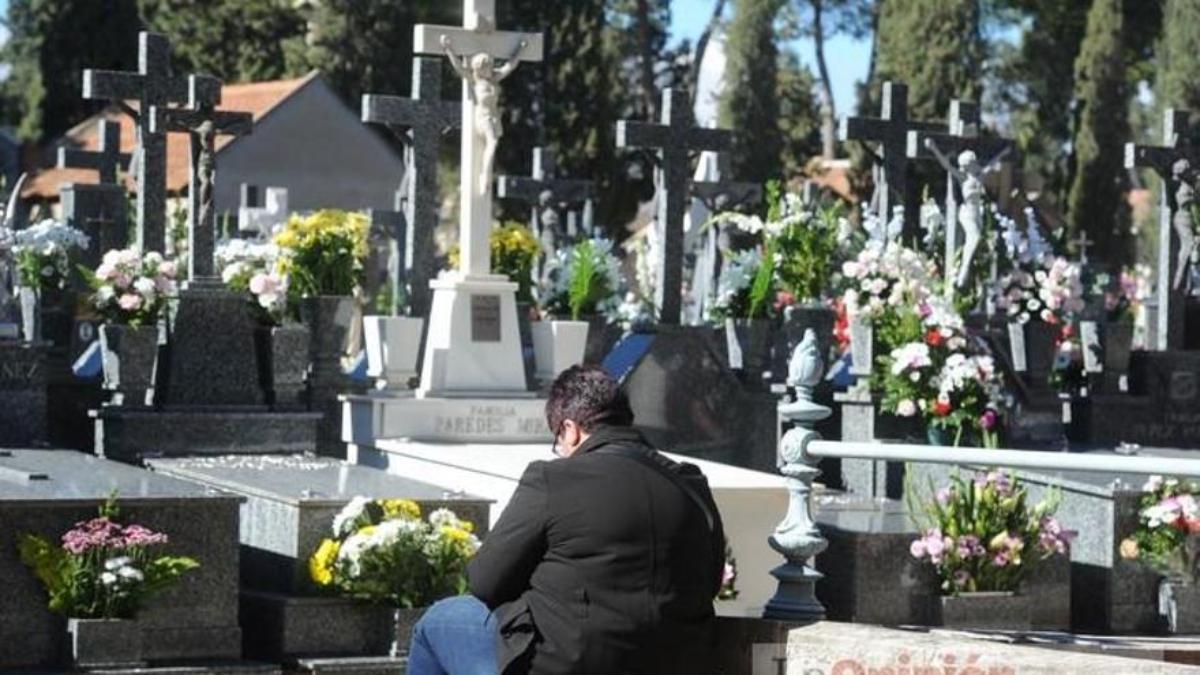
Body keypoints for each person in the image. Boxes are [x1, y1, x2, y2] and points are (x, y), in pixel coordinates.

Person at [408, 365, 726, 674]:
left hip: (568, 662)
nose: (558, 451)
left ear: (569, 430)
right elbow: (709, 584)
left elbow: (485, 582)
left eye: (557, 442)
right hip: (681, 664)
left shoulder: (553, 478)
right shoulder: (690, 484)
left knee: (440, 619)